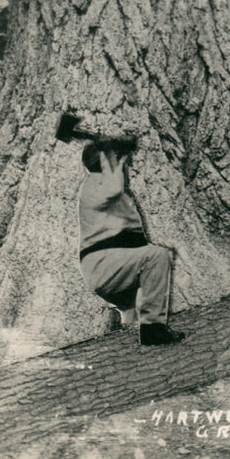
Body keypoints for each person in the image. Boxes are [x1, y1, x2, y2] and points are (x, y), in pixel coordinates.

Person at [78, 141, 185, 346]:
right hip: (102, 264)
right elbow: (114, 187)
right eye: (116, 163)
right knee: (158, 255)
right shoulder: (95, 184)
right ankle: (153, 330)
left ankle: (128, 321)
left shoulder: (116, 198)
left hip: (111, 263)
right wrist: (116, 158)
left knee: (148, 261)